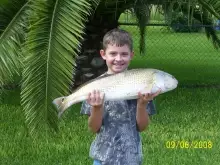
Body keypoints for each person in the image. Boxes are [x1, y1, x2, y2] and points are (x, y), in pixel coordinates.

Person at [80, 28, 160, 165]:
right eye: (113, 53)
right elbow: (94, 128)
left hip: (131, 158)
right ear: (103, 54)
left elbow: (142, 127)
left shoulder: (142, 85)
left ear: (131, 55)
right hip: (102, 158)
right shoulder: (95, 88)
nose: (118, 59)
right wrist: (97, 107)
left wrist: (142, 104)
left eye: (124, 54)